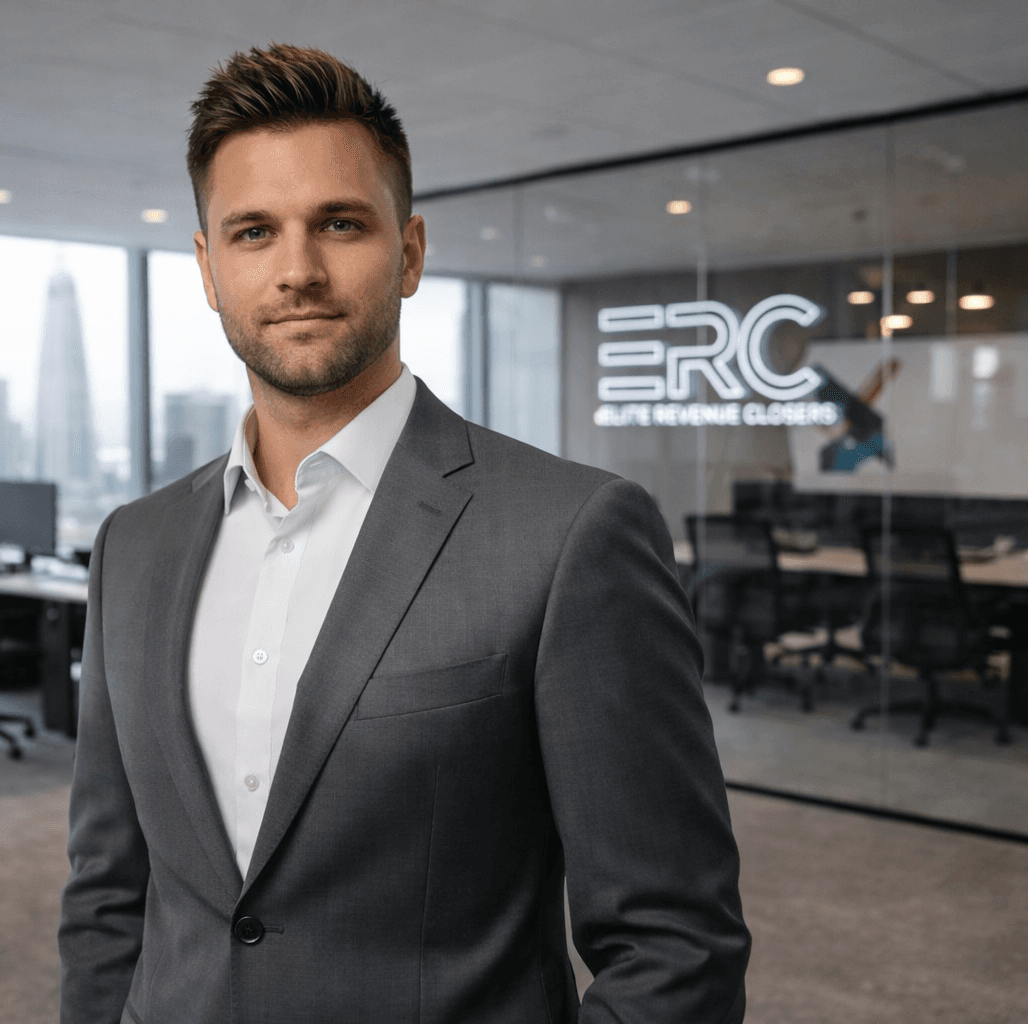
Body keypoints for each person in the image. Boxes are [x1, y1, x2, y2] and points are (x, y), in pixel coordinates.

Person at [59, 43, 749, 1024]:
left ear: (411, 250)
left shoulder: (569, 535)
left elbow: (676, 946)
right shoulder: (133, 544)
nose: (298, 270)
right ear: (209, 269)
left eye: (339, 223)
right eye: (254, 232)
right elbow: (106, 890)